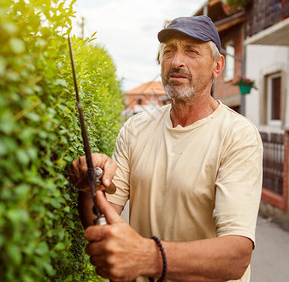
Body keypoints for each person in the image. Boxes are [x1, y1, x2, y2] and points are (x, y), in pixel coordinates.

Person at [69, 15, 263, 282]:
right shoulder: (135, 129)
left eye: (192, 51)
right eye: (168, 51)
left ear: (218, 66)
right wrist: (90, 184)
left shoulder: (238, 135)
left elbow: (236, 256)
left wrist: (147, 257)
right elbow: (103, 220)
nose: (176, 61)